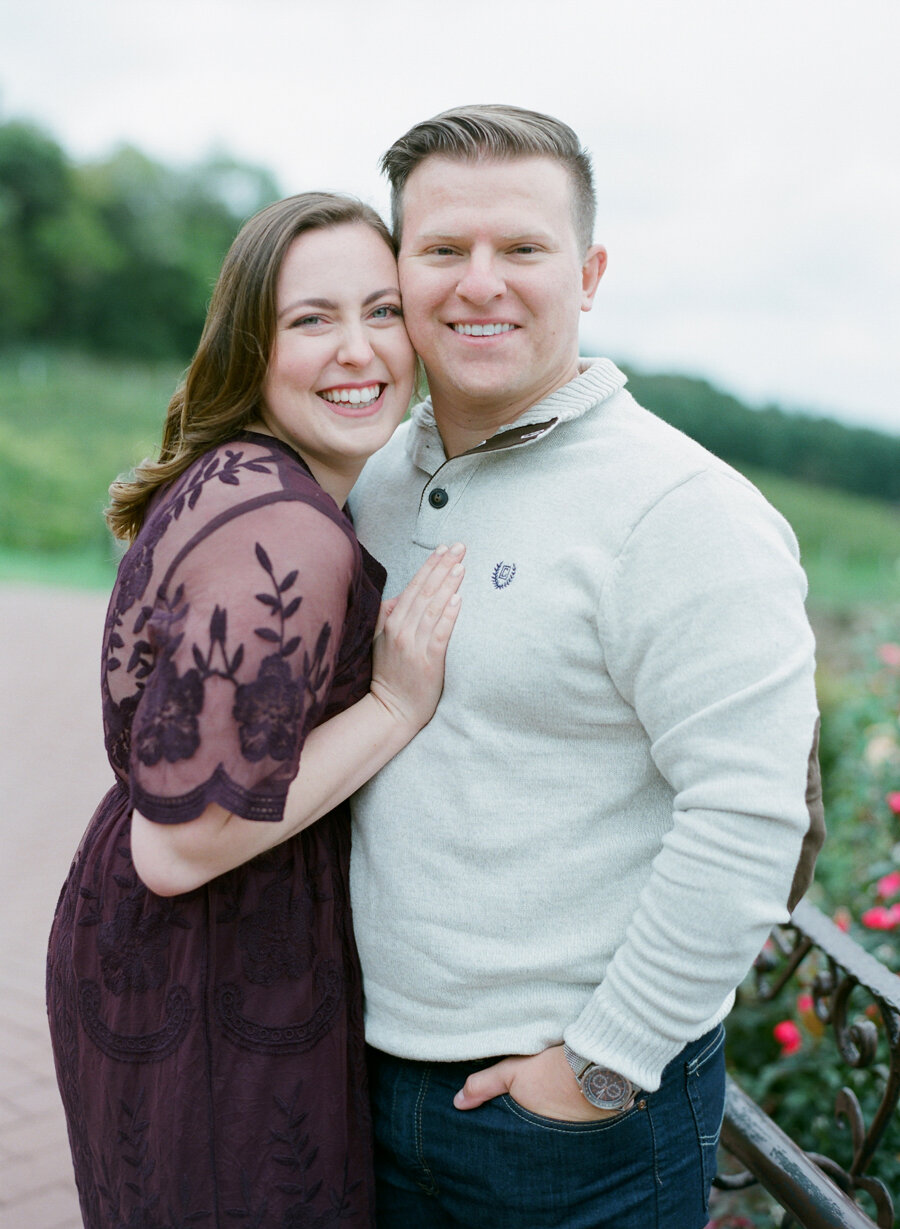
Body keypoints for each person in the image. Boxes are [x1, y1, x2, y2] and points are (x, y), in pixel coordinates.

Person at [348, 105, 825, 1228]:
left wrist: (600, 1068)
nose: (481, 283)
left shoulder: (681, 510)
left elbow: (752, 816)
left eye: (522, 248)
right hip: (363, 1076)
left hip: (568, 1135)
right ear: (400, 270)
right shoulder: (377, 477)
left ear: (590, 270)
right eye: (442, 249)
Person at [46, 192, 465, 1229]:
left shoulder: (246, 473)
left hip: (155, 953)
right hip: (213, 964)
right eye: (313, 318)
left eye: (382, 310)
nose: (359, 350)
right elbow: (181, 846)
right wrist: (395, 702)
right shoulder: (291, 532)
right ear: (252, 343)